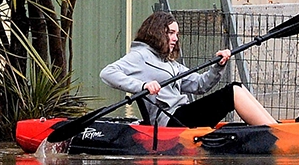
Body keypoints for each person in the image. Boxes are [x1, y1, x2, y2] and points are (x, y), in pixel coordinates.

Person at [100, 10, 278, 128]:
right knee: (232, 92)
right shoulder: (140, 56)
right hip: (170, 121)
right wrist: (142, 86)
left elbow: (200, 85)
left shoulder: (170, 63)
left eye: (176, 34)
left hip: (182, 114)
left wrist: (218, 66)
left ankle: (274, 126)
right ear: (157, 32)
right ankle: (276, 132)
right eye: (171, 33)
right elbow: (107, 73)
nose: (175, 38)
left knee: (237, 87)